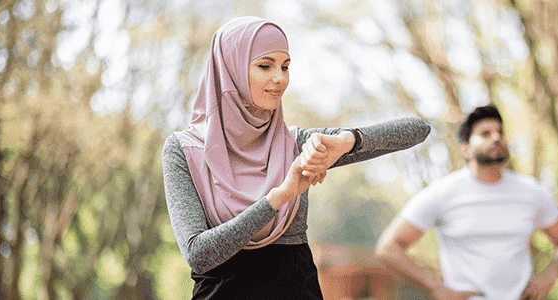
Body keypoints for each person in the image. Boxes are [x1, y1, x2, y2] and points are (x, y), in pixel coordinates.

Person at [161, 16, 430, 299]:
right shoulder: (184, 149)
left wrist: (345, 141)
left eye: (285, 67)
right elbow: (199, 254)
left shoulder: (296, 144)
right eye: (265, 65)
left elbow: (417, 130)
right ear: (231, 69)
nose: (280, 78)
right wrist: (280, 196)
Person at [375, 105, 558, 300]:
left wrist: (549, 277)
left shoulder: (532, 192)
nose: (496, 137)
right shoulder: (443, 193)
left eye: (500, 132)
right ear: (466, 150)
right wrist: (435, 287)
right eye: (485, 133)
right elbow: (388, 248)